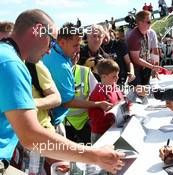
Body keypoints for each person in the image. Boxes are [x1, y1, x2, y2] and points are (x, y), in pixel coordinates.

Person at [0, 9, 124, 174]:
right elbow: (31, 136)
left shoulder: (7, 57)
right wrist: (95, 155)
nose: (50, 50)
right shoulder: (10, 63)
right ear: (36, 31)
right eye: (51, 42)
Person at [88, 59, 125, 144]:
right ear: (103, 76)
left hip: (113, 129)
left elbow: (121, 100)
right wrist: (110, 113)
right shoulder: (97, 93)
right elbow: (94, 118)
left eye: (117, 75)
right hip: (100, 133)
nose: (117, 78)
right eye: (114, 76)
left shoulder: (114, 87)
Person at [64, 52, 98, 145]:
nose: (75, 55)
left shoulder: (85, 71)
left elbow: (96, 94)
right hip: (63, 122)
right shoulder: (55, 70)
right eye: (72, 53)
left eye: (77, 53)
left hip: (84, 122)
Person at [127, 10, 161, 85]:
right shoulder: (134, 36)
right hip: (136, 69)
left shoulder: (150, 32)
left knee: (146, 90)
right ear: (140, 22)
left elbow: (155, 51)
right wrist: (152, 67)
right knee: (137, 93)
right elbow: (135, 59)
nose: (150, 23)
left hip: (146, 67)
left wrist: (155, 67)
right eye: (148, 22)